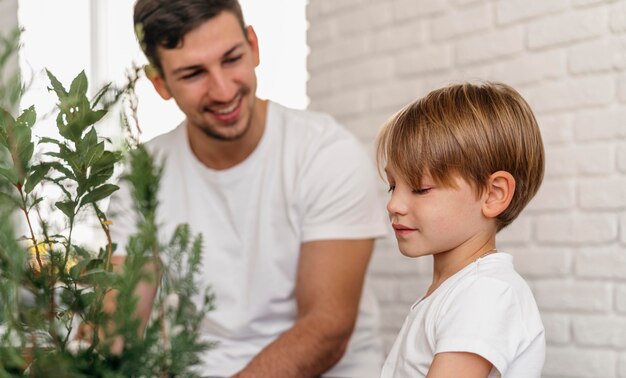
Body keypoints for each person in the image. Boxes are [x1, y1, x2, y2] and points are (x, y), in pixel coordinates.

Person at [107, 0, 388, 377]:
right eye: (193, 73)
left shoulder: (326, 154)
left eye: (231, 59)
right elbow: (118, 325)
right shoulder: (144, 173)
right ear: (161, 83)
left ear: (253, 46)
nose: (222, 91)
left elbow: (327, 331)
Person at [377, 82, 546, 377]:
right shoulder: (458, 291)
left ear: (493, 194)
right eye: (393, 185)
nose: (393, 204)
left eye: (420, 188)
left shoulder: (486, 292)